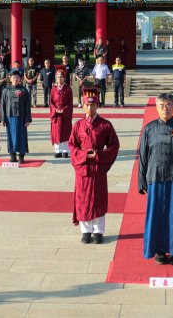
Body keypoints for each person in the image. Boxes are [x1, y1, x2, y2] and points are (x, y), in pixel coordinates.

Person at [138, 93, 173, 265]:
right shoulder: (149, 129)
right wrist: (142, 181)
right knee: (157, 216)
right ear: (156, 107)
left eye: (169, 104)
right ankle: (160, 251)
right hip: (155, 178)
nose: (165, 108)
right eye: (162, 105)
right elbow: (142, 157)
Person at [69, 86, 120, 244]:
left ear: (97, 105)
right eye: (87, 105)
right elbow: (72, 145)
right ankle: (86, 231)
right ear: (83, 106)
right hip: (83, 167)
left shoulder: (105, 125)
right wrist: (84, 155)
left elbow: (114, 146)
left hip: (98, 167)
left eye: (92, 105)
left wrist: (99, 155)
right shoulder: (77, 125)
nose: (89, 108)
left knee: (98, 199)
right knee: (83, 198)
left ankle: (98, 231)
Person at [0, 70, 32, 162]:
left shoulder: (24, 90)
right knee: (11, 136)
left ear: (20, 79)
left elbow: (27, 106)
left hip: (21, 118)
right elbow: (3, 105)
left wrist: (28, 119)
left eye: (17, 77)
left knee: (21, 136)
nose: (15, 79)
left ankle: (21, 156)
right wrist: (2, 119)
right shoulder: (6, 90)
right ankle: (12, 155)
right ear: (10, 78)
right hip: (10, 117)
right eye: (13, 77)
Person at [50, 68, 74, 158]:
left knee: (65, 131)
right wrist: (55, 109)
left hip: (65, 114)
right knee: (56, 132)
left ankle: (65, 150)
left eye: (61, 77)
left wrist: (64, 110)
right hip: (56, 114)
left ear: (64, 78)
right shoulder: (53, 89)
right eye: (58, 77)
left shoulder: (68, 89)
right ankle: (58, 150)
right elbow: (51, 102)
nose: (59, 79)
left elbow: (70, 102)